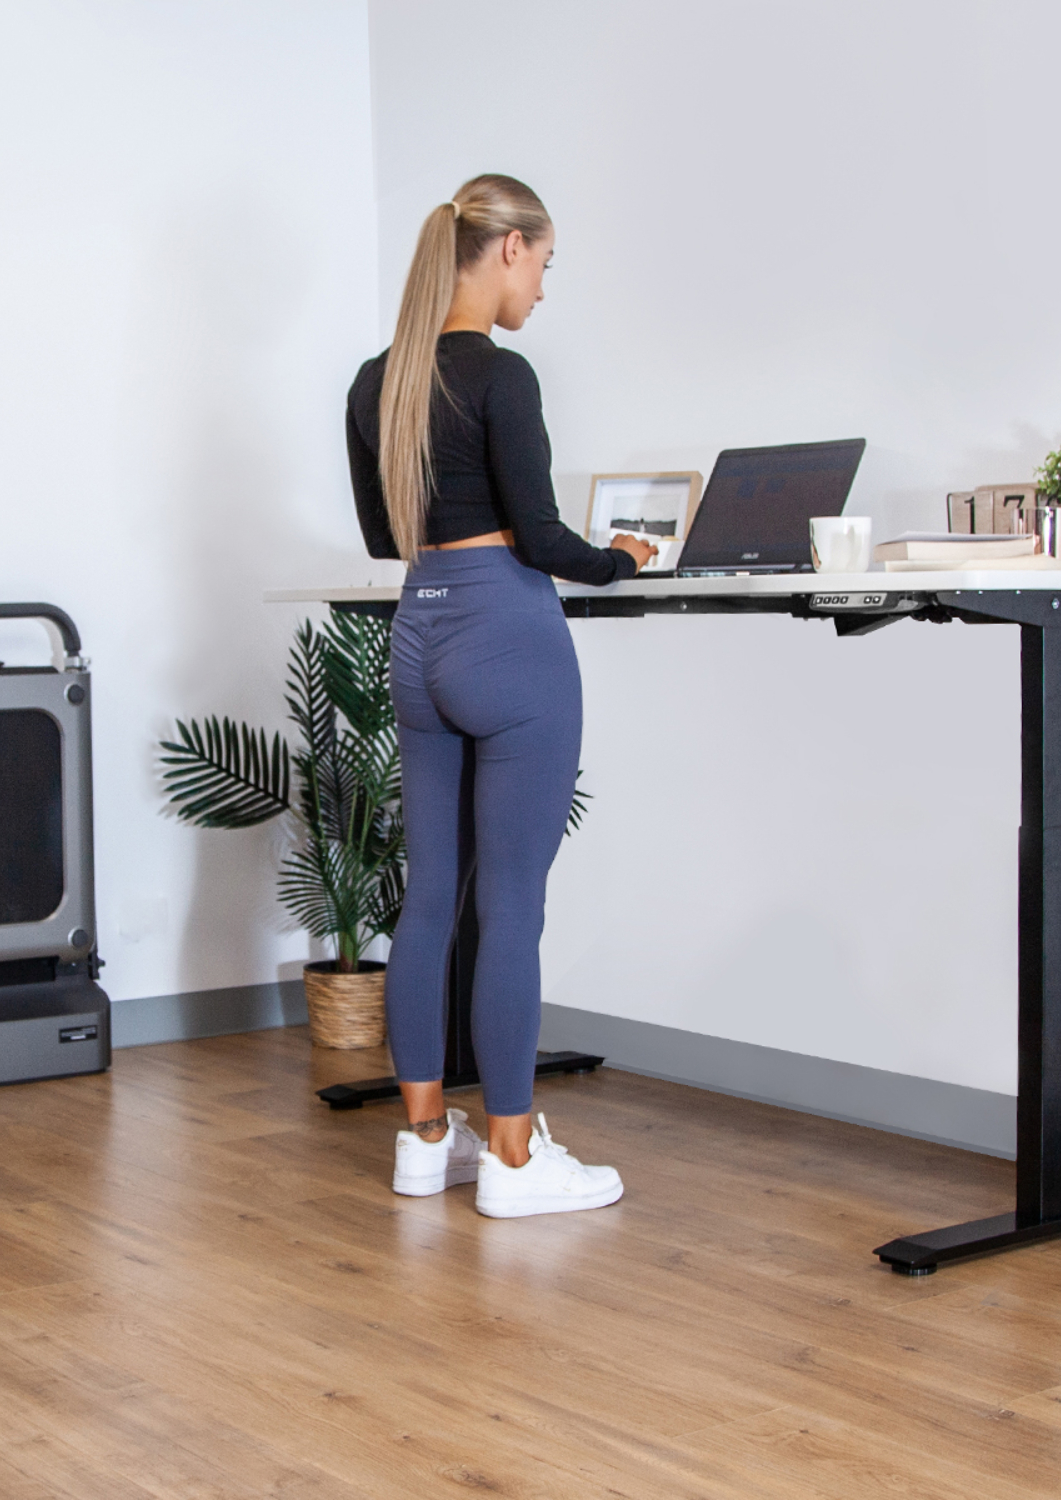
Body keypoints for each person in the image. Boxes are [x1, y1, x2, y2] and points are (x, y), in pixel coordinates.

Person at [345, 173, 654, 1218]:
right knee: (512, 902)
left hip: (419, 631)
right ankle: (515, 1163)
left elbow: (385, 536)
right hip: (506, 636)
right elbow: (544, 536)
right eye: (546, 264)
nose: (543, 289)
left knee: (432, 897)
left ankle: (426, 1140)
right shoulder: (502, 375)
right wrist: (621, 559)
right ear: (510, 248)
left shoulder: (376, 381)